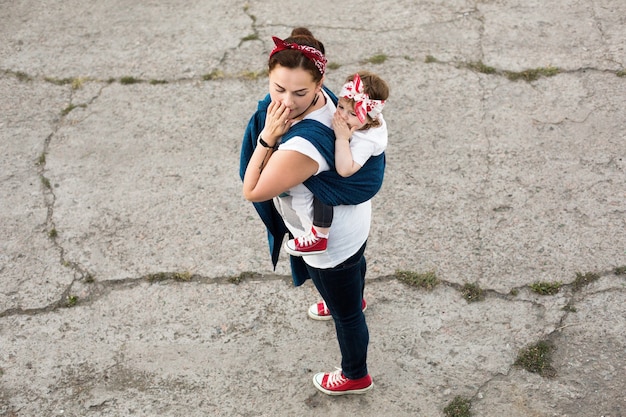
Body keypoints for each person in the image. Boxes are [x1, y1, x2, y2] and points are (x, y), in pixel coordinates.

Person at [240, 28, 386, 395]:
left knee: (346, 313)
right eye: (277, 88)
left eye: (299, 92)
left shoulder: (302, 145)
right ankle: (353, 296)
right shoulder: (331, 101)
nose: (286, 102)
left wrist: (268, 138)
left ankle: (355, 375)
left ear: (321, 80)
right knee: (353, 274)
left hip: (328, 241)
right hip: (352, 224)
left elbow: (253, 189)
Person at [284, 71, 389, 257]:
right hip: (358, 165)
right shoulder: (360, 122)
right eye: (340, 106)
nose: (342, 116)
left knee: (323, 183)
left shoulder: (366, 141)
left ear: (371, 119)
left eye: (352, 113)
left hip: (362, 183)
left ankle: (319, 236)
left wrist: (342, 139)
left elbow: (344, 170)